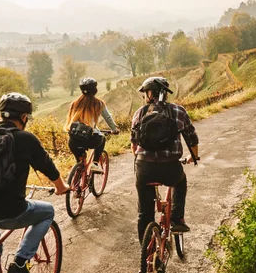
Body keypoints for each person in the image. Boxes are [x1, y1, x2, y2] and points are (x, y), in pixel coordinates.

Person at [0, 92, 69, 273]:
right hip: (9, 211)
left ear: (0, 115)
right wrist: (61, 187)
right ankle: (20, 263)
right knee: (47, 212)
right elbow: (48, 167)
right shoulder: (26, 139)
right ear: (23, 118)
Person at [130, 77, 199, 243]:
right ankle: (177, 219)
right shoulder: (178, 111)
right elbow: (192, 138)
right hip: (170, 168)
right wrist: (194, 157)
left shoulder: (139, 113)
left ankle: (146, 253)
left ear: (151, 93)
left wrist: (143, 159)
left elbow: (133, 146)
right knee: (180, 181)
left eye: (145, 93)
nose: (144, 97)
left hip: (144, 168)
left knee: (144, 214)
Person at [65, 77, 120, 173]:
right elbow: (108, 118)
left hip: (73, 140)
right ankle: (95, 163)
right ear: (95, 90)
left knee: (80, 163)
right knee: (102, 138)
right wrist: (114, 129)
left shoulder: (75, 103)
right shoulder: (98, 103)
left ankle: (77, 177)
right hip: (90, 139)